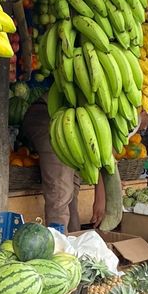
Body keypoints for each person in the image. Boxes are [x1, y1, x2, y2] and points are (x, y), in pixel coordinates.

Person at [21, 97, 105, 232]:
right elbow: (107, 159)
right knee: (60, 193)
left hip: (79, 127)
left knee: (71, 193)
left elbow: (105, 157)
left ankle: (72, 245)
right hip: (51, 115)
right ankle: (59, 248)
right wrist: (100, 199)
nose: (147, 126)